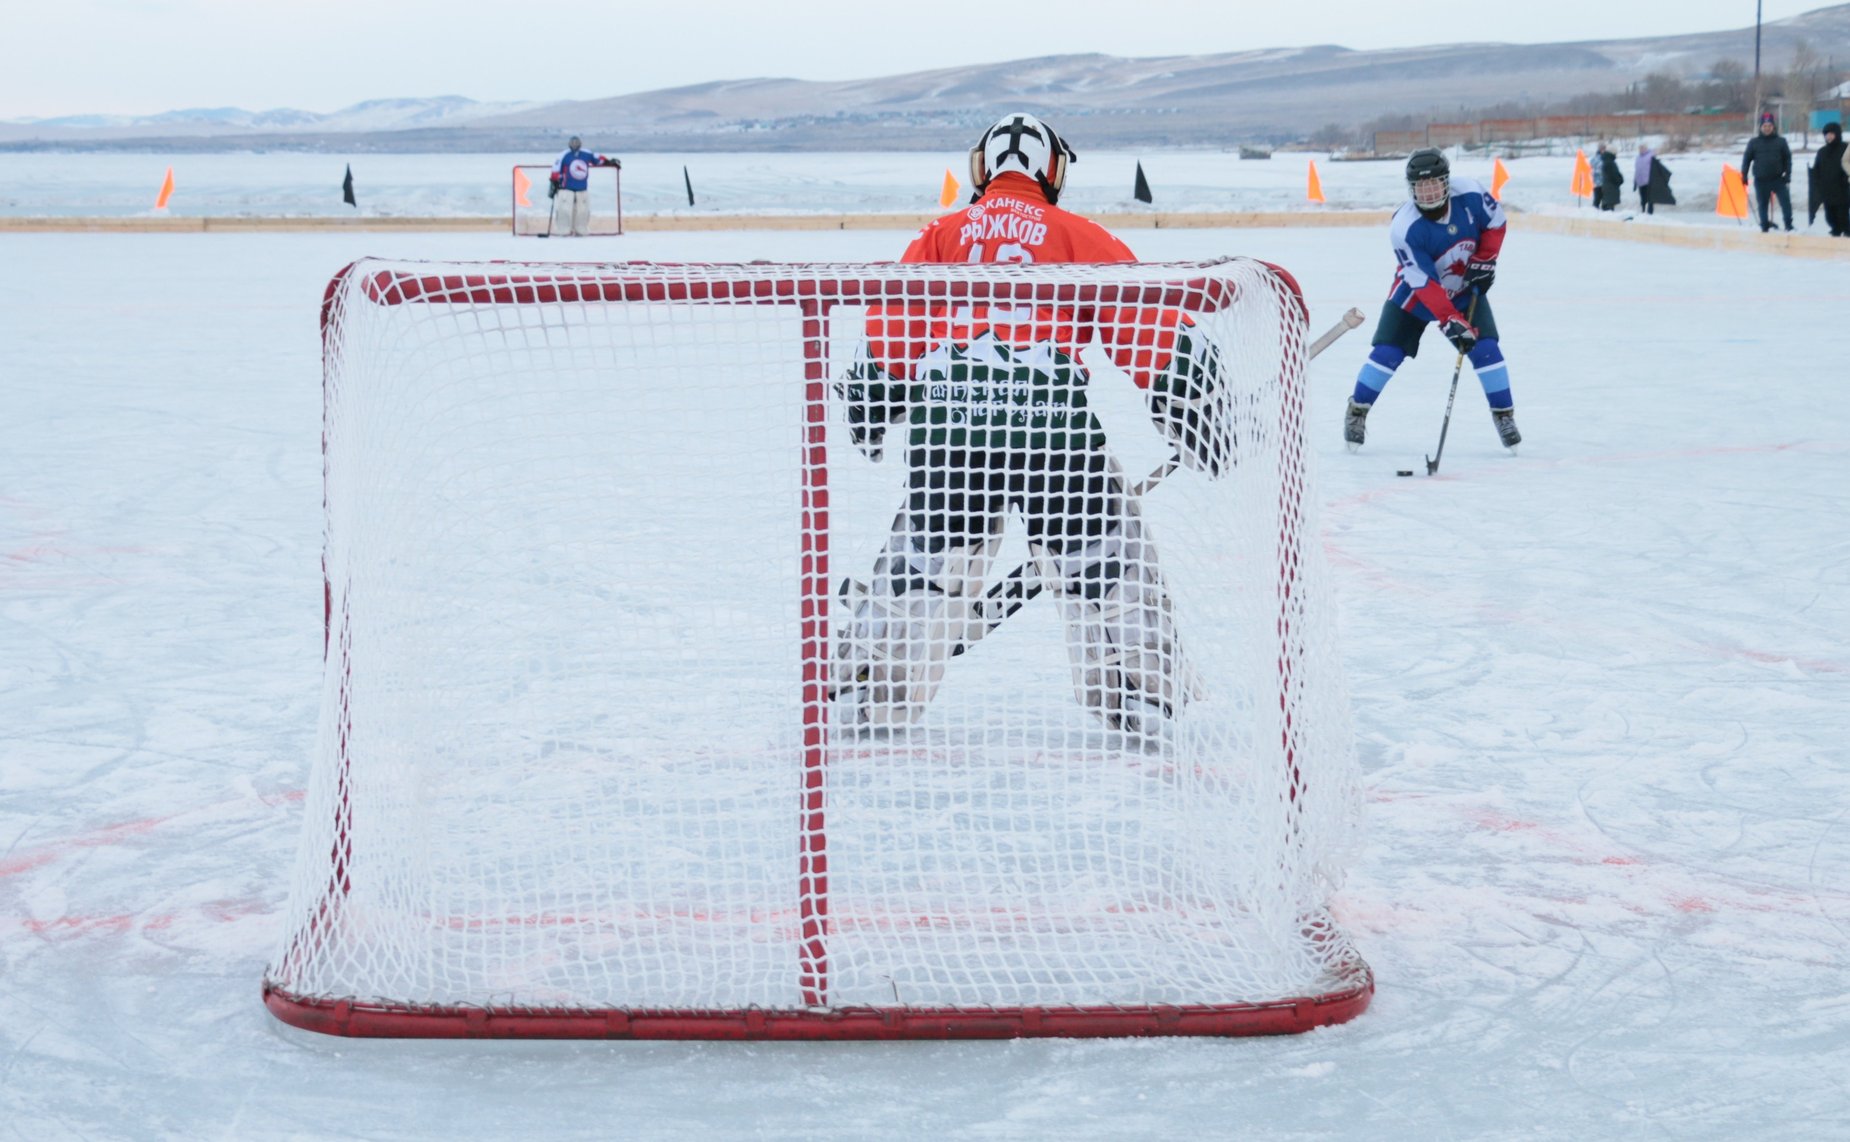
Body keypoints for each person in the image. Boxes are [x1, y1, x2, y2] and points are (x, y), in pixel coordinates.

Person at [830, 113, 1228, 735]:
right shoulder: (1078, 234)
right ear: (1053, 170)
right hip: (1054, 436)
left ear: (982, 168)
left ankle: (865, 687)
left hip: (951, 436)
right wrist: (1191, 399)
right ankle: (1142, 696)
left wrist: (873, 401)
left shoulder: (942, 234)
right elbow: (1145, 323)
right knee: (1108, 561)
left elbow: (891, 331)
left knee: (923, 558)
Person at [1344, 148, 1520, 453]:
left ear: (1446, 183)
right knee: (1387, 353)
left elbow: (1496, 223)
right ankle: (1357, 411)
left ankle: (1504, 416)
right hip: (1415, 296)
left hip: (1464, 289)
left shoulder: (1472, 194)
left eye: (1434, 185)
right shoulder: (1404, 226)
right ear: (1410, 189)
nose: (1428, 193)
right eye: (1420, 187)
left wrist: (1486, 259)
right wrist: (1450, 319)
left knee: (1487, 349)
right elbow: (1423, 281)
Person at [548, 135, 620, 237]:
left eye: (576, 142)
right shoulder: (563, 155)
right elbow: (555, 170)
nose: (574, 145)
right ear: (569, 144)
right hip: (566, 188)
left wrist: (609, 161)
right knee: (564, 210)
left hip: (582, 188)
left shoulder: (586, 153)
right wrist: (554, 182)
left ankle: (581, 230)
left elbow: (598, 159)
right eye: (573, 142)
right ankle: (563, 230)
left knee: (582, 211)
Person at [1742, 112, 1794, 233]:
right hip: (1761, 180)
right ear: (1761, 127)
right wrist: (1744, 175)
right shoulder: (1754, 142)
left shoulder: (1781, 141)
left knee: (1786, 203)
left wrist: (1788, 174)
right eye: (1764, 126)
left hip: (1778, 179)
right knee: (1762, 205)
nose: (1767, 128)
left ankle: (1789, 225)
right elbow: (1747, 159)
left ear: (1773, 127)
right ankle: (1764, 226)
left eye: (1769, 126)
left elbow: (1788, 159)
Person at [1813, 121, 1848, 237]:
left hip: (1843, 190)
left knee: (1842, 217)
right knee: (1830, 217)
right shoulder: (1822, 152)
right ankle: (1836, 232)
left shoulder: (1846, 148)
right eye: (1826, 134)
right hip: (1827, 190)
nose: (1829, 137)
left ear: (1837, 134)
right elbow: (1817, 169)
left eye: (1831, 134)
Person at [1595, 143, 1624, 212]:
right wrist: (1620, 180)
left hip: (1606, 187)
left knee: (1606, 207)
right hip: (1611, 188)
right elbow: (1614, 176)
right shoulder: (1610, 162)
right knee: (1609, 209)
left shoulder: (1605, 161)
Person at [1635, 144, 1657, 214]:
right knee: (1642, 198)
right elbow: (1637, 170)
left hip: (1648, 181)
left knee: (1650, 198)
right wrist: (1635, 181)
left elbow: (1655, 166)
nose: (1641, 150)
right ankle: (1643, 211)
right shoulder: (1638, 157)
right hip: (1640, 181)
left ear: (1646, 149)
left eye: (1642, 148)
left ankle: (1650, 212)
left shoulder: (1650, 156)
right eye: (1640, 148)